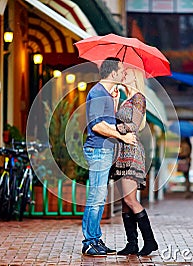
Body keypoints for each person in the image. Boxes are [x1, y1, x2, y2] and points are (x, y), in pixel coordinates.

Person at [82, 57, 137, 256]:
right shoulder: (97, 92)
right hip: (98, 151)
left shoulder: (105, 94)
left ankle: (95, 239)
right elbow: (97, 126)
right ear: (113, 73)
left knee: (99, 197)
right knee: (96, 198)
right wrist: (122, 136)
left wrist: (114, 104)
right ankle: (89, 242)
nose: (124, 74)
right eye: (121, 70)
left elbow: (105, 121)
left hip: (103, 151)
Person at [111, 68, 158, 256]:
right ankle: (132, 243)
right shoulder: (125, 100)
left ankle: (150, 241)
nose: (123, 75)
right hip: (121, 152)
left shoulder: (139, 98)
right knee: (125, 201)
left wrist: (114, 127)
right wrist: (115, 104)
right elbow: (121, 121)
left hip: (131, 152)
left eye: (126, 73)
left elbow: (134, 125)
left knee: (130, 199)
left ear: (135, 78)